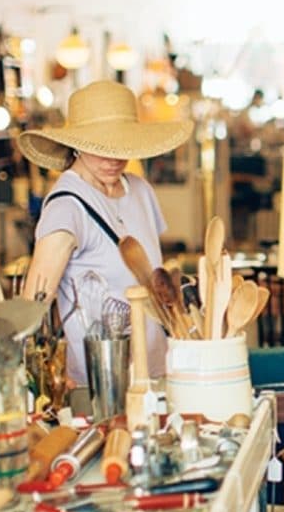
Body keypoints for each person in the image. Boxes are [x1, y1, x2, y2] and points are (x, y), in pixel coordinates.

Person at [23, 80, 191, 388]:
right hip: (101, 385)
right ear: (76, 143)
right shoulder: (67, 206)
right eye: (101, 147)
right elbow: (33, 303)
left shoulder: (140, 190)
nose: (113, 158)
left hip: (158, 373)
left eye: (121, 146)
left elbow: (154, 274)